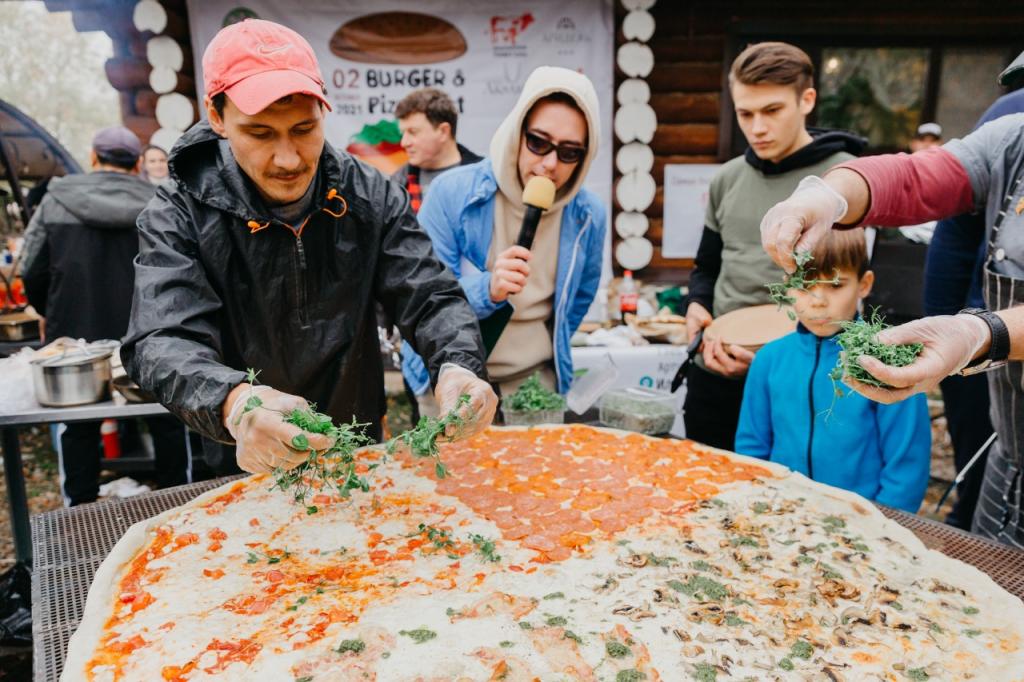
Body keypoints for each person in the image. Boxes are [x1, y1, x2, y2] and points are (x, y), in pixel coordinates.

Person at [119, 19, 497, 476]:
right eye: (260, 134)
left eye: (304, 128)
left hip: (355, 445)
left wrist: (457, 366)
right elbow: (162, 338)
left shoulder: (368, 193)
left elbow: (430, 295)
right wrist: (234, 403)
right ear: (216, 116)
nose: (288, 158)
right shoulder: (179, 209)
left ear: (323, 110)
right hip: (240, 451)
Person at [758, 50, 1024, 546]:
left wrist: (976, 332)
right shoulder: (1013, 140)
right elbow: (915, 178)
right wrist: (828, 195)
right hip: (1009, 453)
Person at [683, 41, 865, 449]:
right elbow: (706, 266)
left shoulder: (846, 180)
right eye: (745, 113)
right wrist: (696, 304)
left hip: (801, 377)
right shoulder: (725, 179)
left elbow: (854, 284)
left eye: (772, 111)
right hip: (715, 367)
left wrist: (776, 359)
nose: (757, 128)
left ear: (807, 100)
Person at [399, 66, 606, 417]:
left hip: (536, 384)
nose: (549, 164)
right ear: (517, 132)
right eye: (538, 142)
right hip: (454, 380)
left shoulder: (588, 215)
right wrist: (487, 288)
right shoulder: (452, 193)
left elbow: (577, 301)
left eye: (570, 152)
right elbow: (422, 297)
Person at [19, 126, 189, 505]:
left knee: (79, 426)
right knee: (167, 420)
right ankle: (178, 505)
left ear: (94, 158)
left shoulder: (56, 200)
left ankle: (78, 514)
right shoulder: (162, 198)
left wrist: (52, 311)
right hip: (153, 332)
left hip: (77, 335)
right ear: (137, 164)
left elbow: (31, 267)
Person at [735, 228, 931, 512]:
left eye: (835, 285)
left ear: (864, 284)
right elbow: (752, 445)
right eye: (804, 285)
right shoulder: (768, 360)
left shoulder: (887, 362)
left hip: (863, 522)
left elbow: (906, 465)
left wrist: (887, 524)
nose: (818, 300)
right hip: (782, 513)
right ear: (786, 286)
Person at [922, 93, 1024, 530]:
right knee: (981, 459)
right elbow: (954, 236)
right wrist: (954, 331)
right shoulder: (1009, 115)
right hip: (979, 342)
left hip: (990, 335)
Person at [391, 88, 481, 212]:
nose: (404, 143)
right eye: (403, 134)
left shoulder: (486, 179)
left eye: (413, 132)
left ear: (443, 131)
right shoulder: (396, 185)